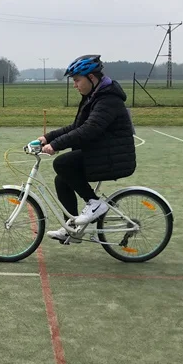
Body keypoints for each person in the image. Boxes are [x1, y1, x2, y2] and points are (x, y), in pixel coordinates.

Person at [38, 55, 136, 244]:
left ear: (92, 78)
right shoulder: (93, 97)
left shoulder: (108, 99)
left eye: (77, 80)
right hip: (102, 152)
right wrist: (48, 138)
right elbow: (77, 126)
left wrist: (56, 145)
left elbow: (89, 129)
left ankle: (95, 203)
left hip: (113, 157)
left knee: (62, 163)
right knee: (62, 178)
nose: (75, 85)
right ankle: (73, 228)